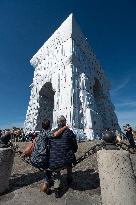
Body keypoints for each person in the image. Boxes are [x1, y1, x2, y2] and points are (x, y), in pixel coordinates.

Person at [48, 115, 78, 198]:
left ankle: (56, 189)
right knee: (69, 161)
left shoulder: (53, 132)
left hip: (54, 158)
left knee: (56, 168)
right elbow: (74, 145)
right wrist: (74, 150)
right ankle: (69, 178)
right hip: (66, 158)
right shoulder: (69, 132)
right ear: (64, 122)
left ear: (58, 123)